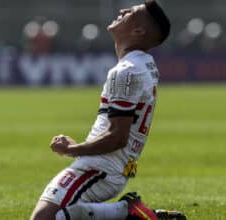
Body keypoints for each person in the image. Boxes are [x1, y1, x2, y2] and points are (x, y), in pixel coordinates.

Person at [30, 1, 186, 220]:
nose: (122, 11)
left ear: (138, 31)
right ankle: (127, 212)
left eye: (130, 12)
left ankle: (128, 213)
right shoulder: (145, 64)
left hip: (101, 168)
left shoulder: (126, 71)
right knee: (65, 214)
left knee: (43, 218)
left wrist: (72, 149)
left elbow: (117, 137)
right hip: (114, 166)